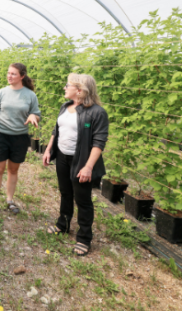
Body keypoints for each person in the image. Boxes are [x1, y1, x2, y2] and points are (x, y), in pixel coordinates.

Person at [42, 73, 109, 256]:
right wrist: (49, 150)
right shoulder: (66, 106)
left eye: (67, 85)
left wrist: (88, 167)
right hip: (63, 157)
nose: (64, 88)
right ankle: (62, 225)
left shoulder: (96, 112)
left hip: (81, 161)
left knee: (83, 200)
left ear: (79, 90)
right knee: (65, 192)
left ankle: (84, 238)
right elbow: (56, 130)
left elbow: (99, 142)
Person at [0, 63, 41, 217]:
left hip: (20, 137)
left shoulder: (30, 95)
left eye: (13, 74)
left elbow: (36, 113)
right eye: (8, 73)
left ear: (22, 76)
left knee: (13, 169)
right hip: (0, 135)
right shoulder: (1, 92)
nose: (9, 76)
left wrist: (32, 116)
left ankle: (9, 200)